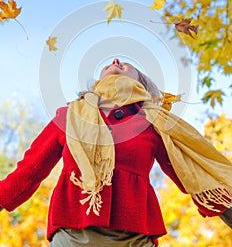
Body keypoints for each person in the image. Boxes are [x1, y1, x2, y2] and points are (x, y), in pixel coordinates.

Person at [0, 58, 232, 246]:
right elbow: (29, 170)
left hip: (134, 237)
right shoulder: (69, 115)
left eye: (128, 65)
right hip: (72, 235)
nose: (116, 60)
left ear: (142, 83)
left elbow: (190, 174)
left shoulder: (153, 123)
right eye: (109, 64)